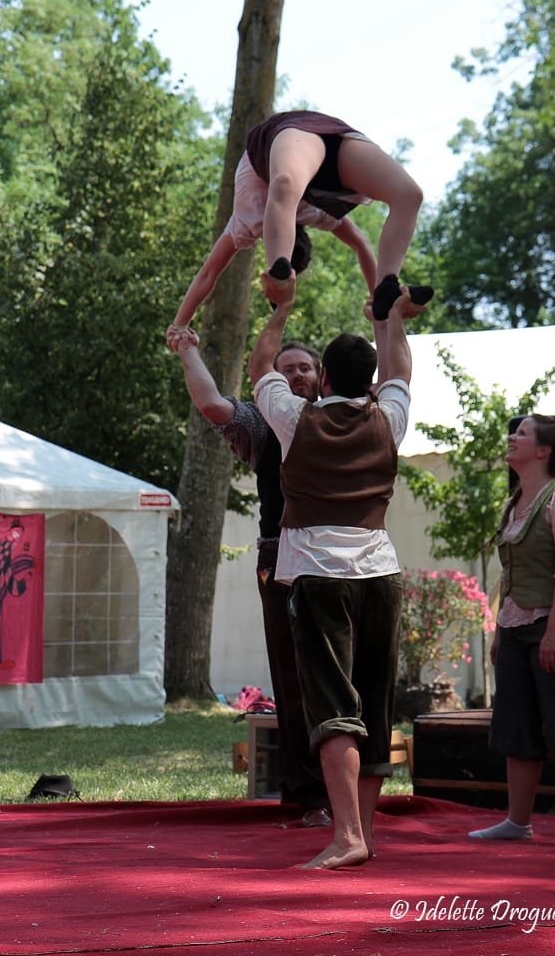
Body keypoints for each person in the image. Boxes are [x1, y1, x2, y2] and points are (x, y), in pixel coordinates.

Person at [247, 270, 423, 870]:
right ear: (368, 380)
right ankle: (366, 832)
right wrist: (392, 317)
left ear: (321, 378)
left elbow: (260, 367)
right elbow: (401, 371)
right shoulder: (389, 418)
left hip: (319, 575)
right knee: (374, 705)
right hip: (380, 572)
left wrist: (282, 308)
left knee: (332, 707)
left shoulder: (296, 421)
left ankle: (346, 835)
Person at [174, 335, 331, 828]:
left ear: (323, 376)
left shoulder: (347, 416)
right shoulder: (262, 425)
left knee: (342, 677)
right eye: (287, 369)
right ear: (270, 382)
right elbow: (209, 403)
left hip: (344, 562)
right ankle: (309, 797)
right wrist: (188, 349)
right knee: (293, 676)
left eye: (306, 366)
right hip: (281, 557)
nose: (298, 375)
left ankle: (350, 791)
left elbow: (392, 381)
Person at [167, 110, 429, 350]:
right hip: (329, 148)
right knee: (408, 196)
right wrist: (377, 304)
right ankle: (386, 284)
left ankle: (280, 270)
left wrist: (180, 324)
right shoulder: (317, 215)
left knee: (286, 184)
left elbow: (210, 273)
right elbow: (361, 244)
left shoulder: (248, 223)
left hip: (299, 134)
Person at [469, 415, 555, 851]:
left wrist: (553, 632)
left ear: (545, 451)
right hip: (516, 628)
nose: (512, 438)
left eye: (523, 434)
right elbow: (510, 576)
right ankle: (518, 821)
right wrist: (499, 631)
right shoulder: (515, 501)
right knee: (516, 725)